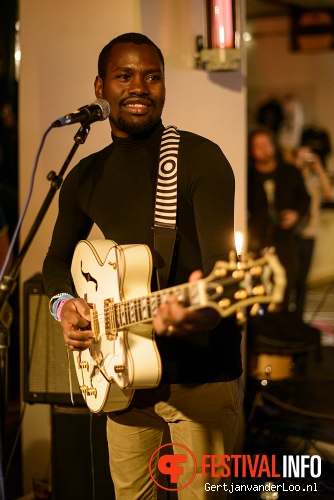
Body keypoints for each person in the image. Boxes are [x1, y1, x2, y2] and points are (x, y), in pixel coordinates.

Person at [42, 32, 243, 499]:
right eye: (124, 76)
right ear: (100, 87)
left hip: (202, 376)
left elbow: (222, 277)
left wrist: (200, 313)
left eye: (152, 76)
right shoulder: (85, 174)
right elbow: (55, 258)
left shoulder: (200, 159)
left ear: (163, 87)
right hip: (121, 377)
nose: (140, 86)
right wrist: (63, 305)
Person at [247, 127, 310, 310]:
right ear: (251, 151)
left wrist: (296, 214)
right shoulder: (248, 176)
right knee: (258, 289)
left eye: (267, 144)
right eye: (258, 146)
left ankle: (282, 327)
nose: (264, 149)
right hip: (257, 241)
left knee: (285, 284)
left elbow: (305, 198)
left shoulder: (289, 171)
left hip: (285, 240)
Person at [293, 145, 333, 316]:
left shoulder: (316, 179)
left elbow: (329, 195)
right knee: (290, 278)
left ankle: (299, 317)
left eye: (308, 157)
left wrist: (319, 167)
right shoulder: (292, 177)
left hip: (310, 232)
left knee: (302, 279)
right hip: (291, 233)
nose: (305, 160)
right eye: (301, 157)